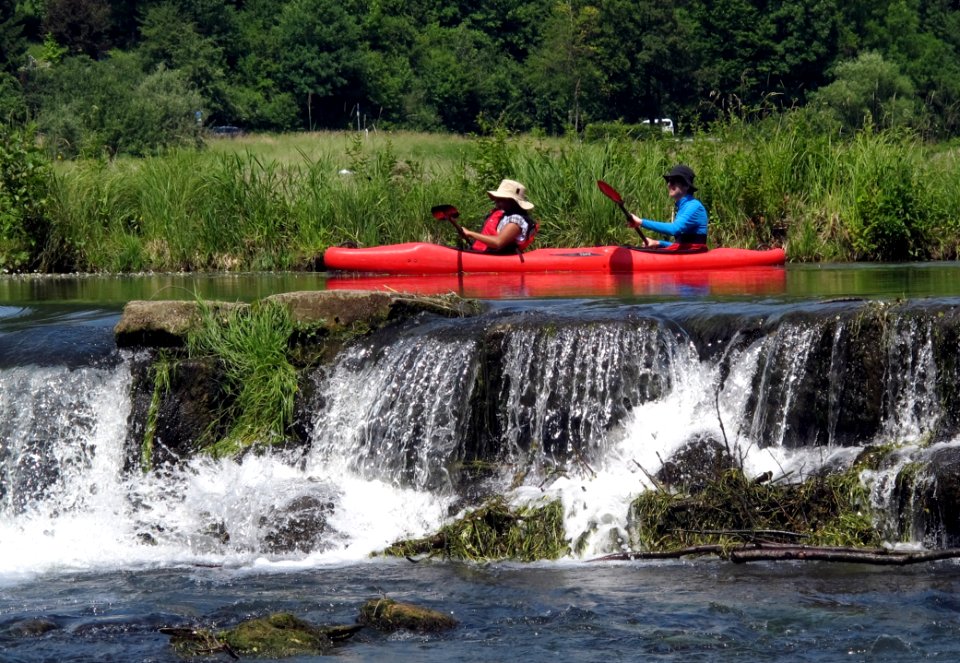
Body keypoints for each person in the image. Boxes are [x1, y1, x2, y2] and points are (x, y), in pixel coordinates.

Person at [628, 164, 708, 250]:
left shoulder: (694, 206)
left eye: (673, 181)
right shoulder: (683, 207)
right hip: (686, 254)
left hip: (693, 257)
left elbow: (674, 229)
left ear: (686, 186)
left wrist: (640, 222)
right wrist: (658, 243)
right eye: (668, 181)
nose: (669, 185)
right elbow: (682, 245)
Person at [461, 179, 538, 254]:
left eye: (500, 200)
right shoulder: (506, 215)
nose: (496, 203)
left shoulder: (516, 220)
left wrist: (470, 233)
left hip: (505, 258)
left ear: (512, 202)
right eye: (496, 200)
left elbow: (498, 242)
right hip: (497, 255)